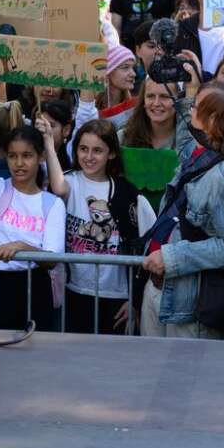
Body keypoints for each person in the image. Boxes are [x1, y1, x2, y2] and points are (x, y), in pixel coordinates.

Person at [140, 85, 224, 339]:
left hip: (189, 303)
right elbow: (184, 142)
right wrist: (191, 87)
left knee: (184, 378)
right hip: (164, 288)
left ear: (213, 121)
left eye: (196, 106)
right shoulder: (202, 153)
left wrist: (172, 258)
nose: (190, 108)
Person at [0, 83, 65, 329]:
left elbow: (52, 258)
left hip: (36, 288)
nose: (19, 163)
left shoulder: (52, 204)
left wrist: (21, 247)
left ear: (40, 157)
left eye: (27, 155)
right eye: (13, 156)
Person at [51, 119, 151, 334]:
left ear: (111, 154)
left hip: (116, 296)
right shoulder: (69, 182)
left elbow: (145, 246)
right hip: (74, 291)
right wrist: (49, 144)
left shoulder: (128, 193)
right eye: (83, 149)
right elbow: (58, 188)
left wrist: (135, 299)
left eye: (97, 150)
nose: (89, 157)